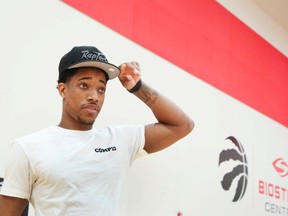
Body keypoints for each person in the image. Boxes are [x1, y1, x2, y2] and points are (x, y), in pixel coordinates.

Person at [0, 46, 194, 216]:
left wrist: (137, 87)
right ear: (62, 90)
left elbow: (182, 125)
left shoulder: (120, 140)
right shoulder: (27, 148)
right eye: (84, 85)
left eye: (101, 89)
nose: (94, 96)